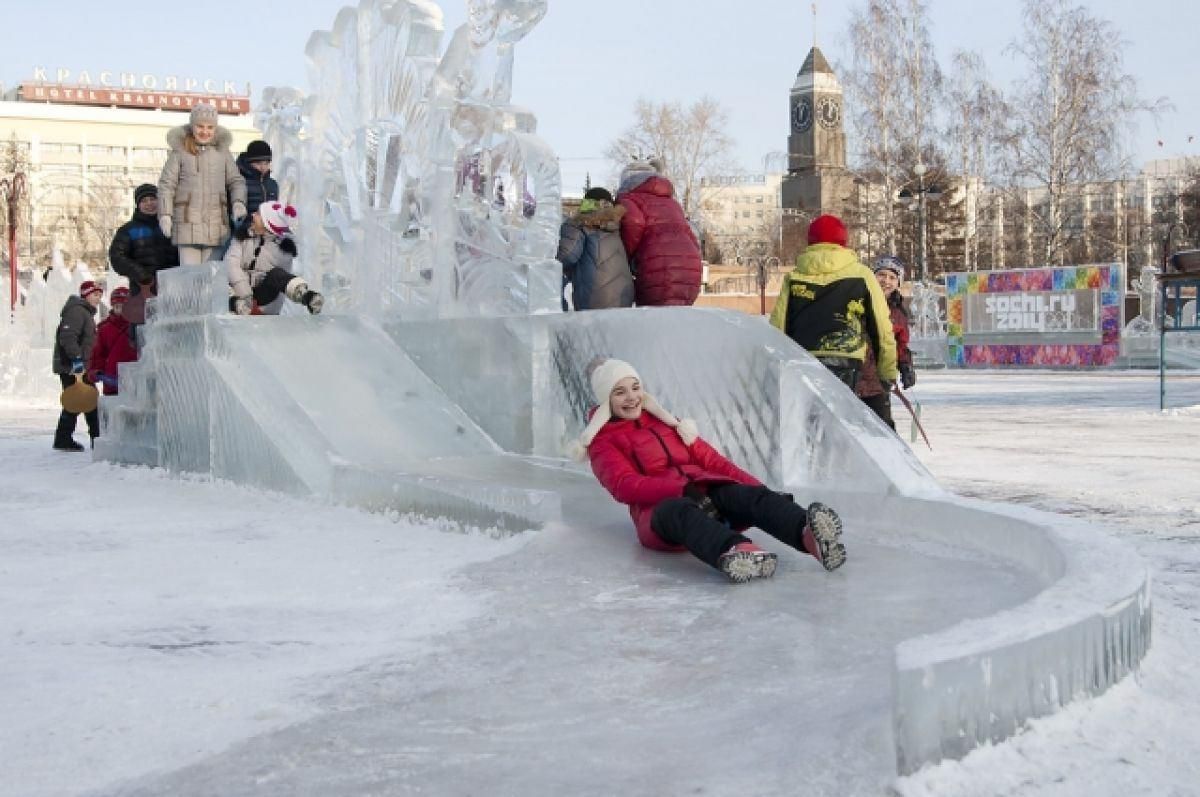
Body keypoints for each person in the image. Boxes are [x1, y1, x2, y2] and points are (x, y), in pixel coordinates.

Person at [575, 358, 847, 583]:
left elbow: (713, 461)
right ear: (605, 399)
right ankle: (736, 551)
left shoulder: (666, 421)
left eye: (635, 387)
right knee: (679, 511)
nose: (632, 397)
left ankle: (808, 535)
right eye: (619, 392)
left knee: (745, 494)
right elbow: (625, 485)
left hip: (706, 493)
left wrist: (757, 488)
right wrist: (681, 490)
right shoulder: (601, 441)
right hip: (659, 513)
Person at [769, 214, 898, 393]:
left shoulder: (794, 278)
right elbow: (882, 328)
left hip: (803, 358)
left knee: (810, 418)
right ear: (843, 241)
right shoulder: (862, 275)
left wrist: (774, 369)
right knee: (839, 415)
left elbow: (778, 326)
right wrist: (887, 372)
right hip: (846, 357)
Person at [158, 102, 247, 265]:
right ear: (192, 126)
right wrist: (165, 214)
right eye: (200, 126)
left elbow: (236, 181)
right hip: (186, 224)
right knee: (191, 279)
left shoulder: (223, 152)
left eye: (210, 127)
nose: (205, 131)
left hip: (216, 226)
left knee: (211, 280)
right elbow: (166, 185)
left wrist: (238, 203)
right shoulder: (180, 152)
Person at [615, 157, 702, 306]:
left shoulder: (628, 199)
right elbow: (691, 235)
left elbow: (634, 223)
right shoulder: (672, 203)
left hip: (658, 267)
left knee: (652, 321)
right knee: (676, 318)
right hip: (690, 269)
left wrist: (626, 256)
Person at [226, 201, 323, 315]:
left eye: (258, 214)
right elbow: (231, 265)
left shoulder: (283, 251)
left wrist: (266, 311)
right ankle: (240, 306)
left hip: (264, 298)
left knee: (277, 274)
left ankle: (306, 296)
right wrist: (246, 296)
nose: (253, 215)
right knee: (224, 283)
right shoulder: (242, 238)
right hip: (239, 292)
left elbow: (281, 287)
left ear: (266, 224)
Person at [855, 256, 916, 429]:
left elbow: (900, 344)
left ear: (898, 283)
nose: (886, 281)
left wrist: (905, 365)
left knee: (883, 429)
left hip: (878, 380)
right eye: (881, 275)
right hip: (855, 374)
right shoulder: (860, 301)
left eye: (892, 277)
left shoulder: (898, 312)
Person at [556, 187, 634, 310]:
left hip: (594, 299)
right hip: (623, 298)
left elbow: (567, 256)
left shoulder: (579, 223)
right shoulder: (616, 227)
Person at [52, 280, 102, 451]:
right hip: (73, 367)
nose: (98, 298)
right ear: (86, 295)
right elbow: (67, 337)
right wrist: (77, 360)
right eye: (95, 294)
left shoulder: (84, 313)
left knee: (81, 401)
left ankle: (64, 438)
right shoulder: (77, 312)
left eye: (100, 295)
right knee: (87, 401)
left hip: (78, 365)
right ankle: (97, 439)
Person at [108, 184, 179, 299]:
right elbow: (117, 257)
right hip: (144, 290)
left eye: (152, 199)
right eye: (144, 201)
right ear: (138, 205)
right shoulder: (128, 230)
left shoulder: (172, 225)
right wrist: (141, 275)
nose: (149, 204)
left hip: (174, 287)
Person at [88, 286, 138, 397]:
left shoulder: (138, 325)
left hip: (136, 380)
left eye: (124, 307)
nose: (120, 310)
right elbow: (98, 353)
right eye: (117, 307)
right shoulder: (104, 329)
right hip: (112, 381)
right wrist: (96, 371)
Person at [236, 139, 279, 215]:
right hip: (247, 226)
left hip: (266, 227)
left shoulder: (273, 184)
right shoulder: (239, 182)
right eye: (258, 163)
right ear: (249, 163)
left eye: (266, 163)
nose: (263, 167)